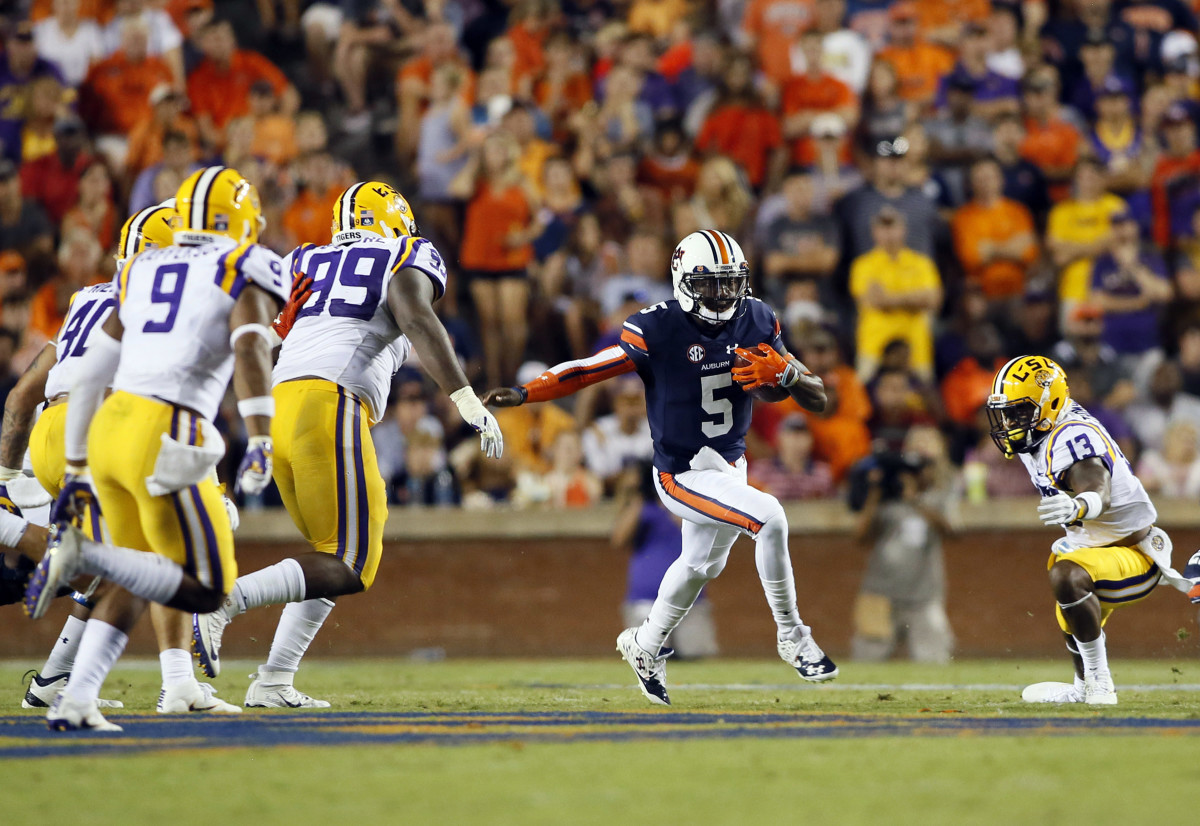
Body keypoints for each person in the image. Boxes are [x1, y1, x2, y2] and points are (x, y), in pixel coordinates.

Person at [484, 229, 838, 705]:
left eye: (730, 283)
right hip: (682, 472)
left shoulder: (757, 319)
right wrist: (528, 393)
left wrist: (789, 373)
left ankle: (645, 645)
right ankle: (793, 635)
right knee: (770, 517)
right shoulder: (658, 328)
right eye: (710, 284)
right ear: (683, 282)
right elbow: (590, 368)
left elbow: (819, 399)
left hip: (731, 464)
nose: (723, 295)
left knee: (699, 566)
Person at [191, 182, 503, 707]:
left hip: (280, 403)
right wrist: (466, 399)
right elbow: (415, 314)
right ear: (395, 219)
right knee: (352, 561)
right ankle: (224, 601)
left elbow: (266, 335)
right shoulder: (405, 251)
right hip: (328, 405)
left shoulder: (306, 259)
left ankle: (273, 681)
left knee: (331, 555)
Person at [22, 166, 291, 732]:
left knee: (142, 571)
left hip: (110, 426)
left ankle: (77, 698)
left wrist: (75, 465)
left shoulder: (142, 266)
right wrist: (261, 433)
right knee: (208, 585)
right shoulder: (245, 263)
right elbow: (248, 347)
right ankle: (85, 556)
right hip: (166, 429)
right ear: (235, 218)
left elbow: (95, 367)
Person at [3, 201, 237, 715]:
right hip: (108, 428)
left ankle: (59, 683)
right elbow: (175, 399)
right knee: (160, 553)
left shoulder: (87, 299)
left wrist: (8, 475)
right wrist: (213, 483)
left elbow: (22, 396)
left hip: (53, 432)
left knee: (138, 557)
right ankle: (174, 683)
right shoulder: (164, 302)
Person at [985, 356, 1192, 705]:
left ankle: (1100, 683)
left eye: (1018, 412)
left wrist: (1079, 505)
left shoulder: (1071, 436)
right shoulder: (1043, 427)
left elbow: (1099, 487)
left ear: (1049, 405)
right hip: (1095, 548)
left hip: (1135, 553)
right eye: (1005, 413)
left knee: (1068, 576)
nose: (1008, 422)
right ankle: (1082, 687)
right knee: (1064, 582)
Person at [851, 425, 956, 662]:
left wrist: (914, 498)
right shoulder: (887, 496)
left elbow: (951, 530)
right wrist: (876, 491)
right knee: (867, 659)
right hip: (880, 592)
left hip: (924, 594)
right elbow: (861, 536)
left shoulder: (938, 493)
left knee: (934, 660)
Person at [613, 461, 717, 660]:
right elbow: (618, 539)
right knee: (647, 660)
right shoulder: (642, 508)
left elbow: (707, 533)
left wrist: (674, 500)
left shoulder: (688, 502)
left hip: (690, 601)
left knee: (696, 658)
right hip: (645, 601)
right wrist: (638, 496)